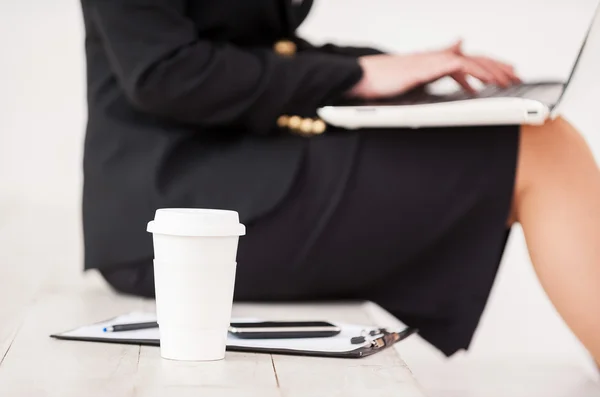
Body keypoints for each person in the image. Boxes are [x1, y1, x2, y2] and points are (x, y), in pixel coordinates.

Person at [80, 0, 600, 362]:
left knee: (540, 142)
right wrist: (355, 76)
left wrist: (374, 66)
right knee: (541, 152)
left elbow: (248, 44)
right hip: (179, 216)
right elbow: (164, 71)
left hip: (231, 172)